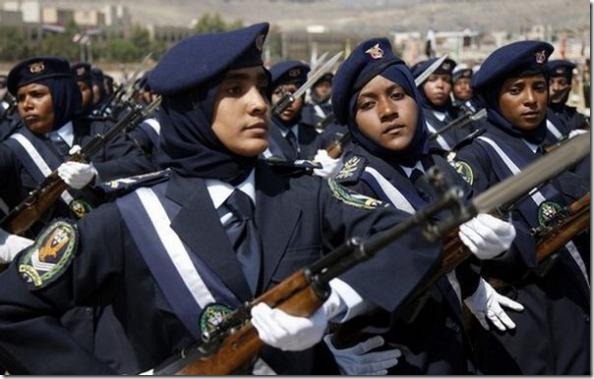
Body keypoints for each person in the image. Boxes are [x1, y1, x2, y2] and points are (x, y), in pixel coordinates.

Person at [0, 23, 442, 375]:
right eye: (234, 90)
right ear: (192, 107)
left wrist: (334, 303)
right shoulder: (129, 218)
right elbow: (12, 307)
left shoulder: (307, 194)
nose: (259, 104)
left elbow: (410, 237)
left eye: (259, 87)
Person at [326, 36, 522, 374]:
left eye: (398, 95)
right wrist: (327, 353)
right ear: (353, 121)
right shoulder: (351, 187)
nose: (388, 112)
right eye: (368, 104)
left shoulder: (437, 166)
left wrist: (496, 255)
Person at [455, 40, 590, 374]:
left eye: (539, 87)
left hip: (572, 308)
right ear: (493, 99)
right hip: (523, 317)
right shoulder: (477, 156)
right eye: (516, 89)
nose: (531, 100)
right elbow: (464, 242)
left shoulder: (552, 150)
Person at [1, 56, 154, 235]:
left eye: (37, 95)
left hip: (114, 242)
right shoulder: (13, 148)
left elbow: (143, 167)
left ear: (61, 94)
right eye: (20, 98)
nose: (26, 105)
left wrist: (96, 173)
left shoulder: (101, 130)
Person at [412, 57, 474, 153]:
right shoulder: (417, 120)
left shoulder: (460, 114)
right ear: (421, 85)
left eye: (446, 79)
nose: (440, 85)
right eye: (433, 79)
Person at [546, 59, 589, 137]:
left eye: (562, 82)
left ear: (569, 87)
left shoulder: (577, 118)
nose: (556, 88)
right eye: (550, 82)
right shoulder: (536, 117)